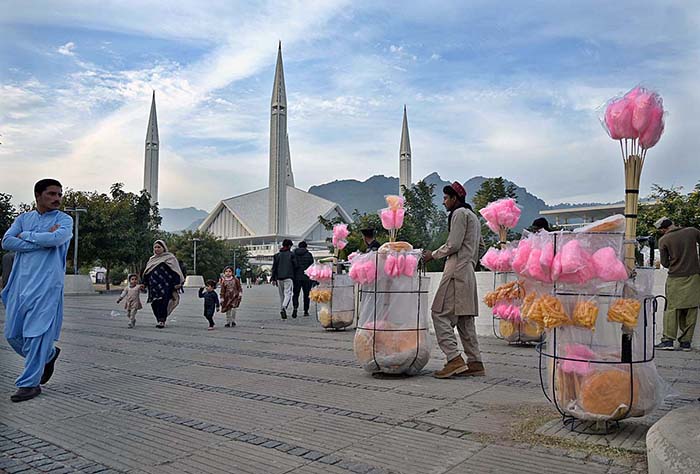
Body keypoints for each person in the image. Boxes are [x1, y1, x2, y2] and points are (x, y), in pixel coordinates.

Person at [1, 178, 73, 402]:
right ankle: (49, 355)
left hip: (47, 286)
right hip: (20, 285)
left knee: (37, 334)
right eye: (52, 194)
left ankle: (29, 384)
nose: (57, 199)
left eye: (59, 194)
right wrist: (42, 240)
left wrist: (27, 236)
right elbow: (6, 242)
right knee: (13, 335)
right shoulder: (23, 218)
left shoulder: (64, 220)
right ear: (38, 195)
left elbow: (57, 238)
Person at [423, 181, 485, 378]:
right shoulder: (473, 217)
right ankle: (475, 362)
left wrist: (432, 255)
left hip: (456, 271)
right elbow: (481, 247)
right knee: (465, 320)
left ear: (454, 198)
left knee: (439, 314)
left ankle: (453, 359)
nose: (443, 202)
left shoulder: (458, 214)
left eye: (445, 198)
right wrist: (470, 261)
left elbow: (453, 244)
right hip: (468, 271)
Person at [654, 217, 700, 351]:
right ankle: (686, 343)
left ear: (663, 229)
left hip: (675, 277)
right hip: (694, 277)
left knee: (672, 309)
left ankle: (668, 341)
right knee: (691, 309)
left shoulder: (664, 240)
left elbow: (665, 263)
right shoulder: (692, 231)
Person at [142, 240, 184, 328]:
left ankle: (162, 320)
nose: (157, 249)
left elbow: (175, 271)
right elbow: (147, 272)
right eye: (155, 247)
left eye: (159, 247)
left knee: (163, 302)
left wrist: (177, 283)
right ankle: (159, 319)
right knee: (154, 303)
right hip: (153, 286)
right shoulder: (152, 259)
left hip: (166, 285)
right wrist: (144, 283)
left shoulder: (170, 258)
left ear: (163, 248)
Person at [271, 239, 297, 319]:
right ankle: (284, 307)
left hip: (279, 278)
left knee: (281, 295)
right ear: (289, 246)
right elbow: (295, 265)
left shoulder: (277, 255)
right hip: (288, 277)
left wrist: (273, 278)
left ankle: (282, 309)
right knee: (288, 293)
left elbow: (274, 267)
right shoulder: (292, 254)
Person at [292, 241, 314, 317]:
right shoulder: (309, 254)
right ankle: (306, 311)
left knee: (296, 294)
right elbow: (311, 265)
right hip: (306, 277)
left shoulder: (294, 254)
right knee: (306, 295)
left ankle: (295, 308)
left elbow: (293, 264)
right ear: (306, 247)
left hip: (296, 277)